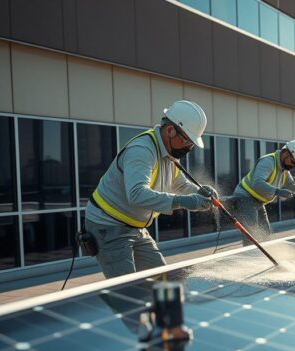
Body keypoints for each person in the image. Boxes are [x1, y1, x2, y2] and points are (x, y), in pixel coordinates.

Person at [85, 100, 218, 278]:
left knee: (162, 280)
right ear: (170, 130)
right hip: (108, 226)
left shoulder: (169, 153)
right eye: (187, 141)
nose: (189, 148)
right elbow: (136, 194)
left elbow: (180, 184)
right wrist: (183, 201)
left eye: (192, 144)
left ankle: (157, 297)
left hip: (136, 227)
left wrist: (198, 192)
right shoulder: (141, 150)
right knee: (128, 289)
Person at [231, 140, 295, 242]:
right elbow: (257, 183)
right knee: (252, 234)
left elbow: (290, 184)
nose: (292, 166)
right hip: (245, 197)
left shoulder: (283, 168)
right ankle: (250, 250)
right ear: (286, 154)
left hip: (258, 201)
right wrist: (277, 191)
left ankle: (262, 251)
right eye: (293, 162)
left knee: (265, 233)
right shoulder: (268, 162)